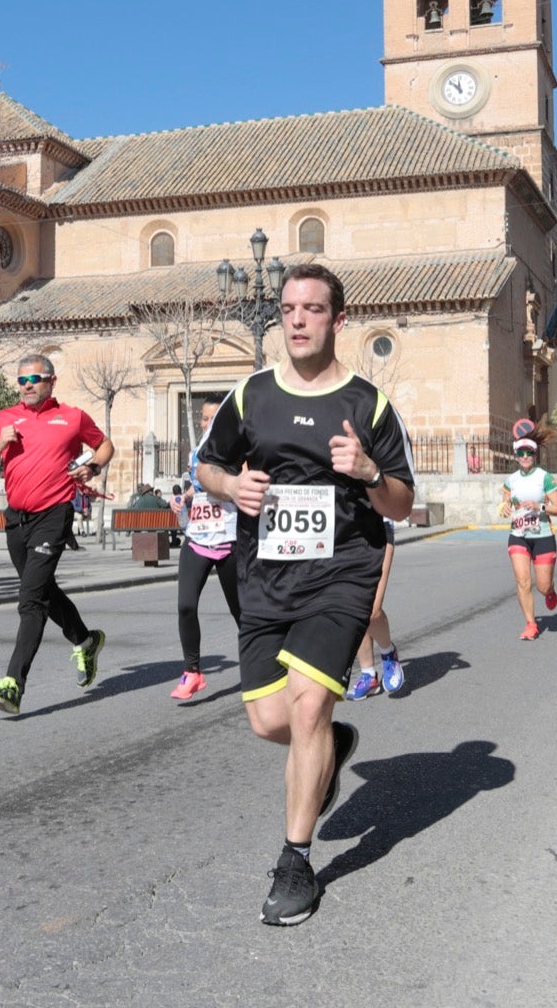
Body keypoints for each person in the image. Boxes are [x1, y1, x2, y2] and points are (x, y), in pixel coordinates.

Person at [196, 262, 415, 927]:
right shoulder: (250, 395)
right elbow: (206, 464)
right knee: (271, 720)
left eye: (312, 308)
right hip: (264, 575)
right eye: (288, 307)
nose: (296, 319)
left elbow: (402, 504)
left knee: (312, 700)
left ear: (337, 320)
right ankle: (333, 746)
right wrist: (231, 487)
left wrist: (371, 471)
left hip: (342, 572)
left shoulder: (367, 404)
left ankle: (296, 860)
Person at [0, 355, 114, 715]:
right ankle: (86, 639)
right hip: (16, 521)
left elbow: (104, 446)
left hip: (54, 515)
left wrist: (92, 468)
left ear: (51, 381)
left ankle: (13, 685)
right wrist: (1, 444)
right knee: (44, 590)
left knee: (30, 600)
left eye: (35, 379)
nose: (27, 385)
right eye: (22, 381)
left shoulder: (72, 417)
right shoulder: (5, 418)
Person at [171, 396, 243, 702]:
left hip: (229, 539)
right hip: (198, 537)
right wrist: (185, 498)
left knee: (242, 613)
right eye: (204, 418)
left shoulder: (238, 448)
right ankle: (193, 672)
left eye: (213, 418)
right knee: (186, 605)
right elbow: (197, 483)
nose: (207, 423)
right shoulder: (198, 448)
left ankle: (263, 664)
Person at [499, 437, 557, 639]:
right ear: (516, 456)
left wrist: (539, 507)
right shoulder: (511, 480)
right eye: (521, 453)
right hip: (518, 535)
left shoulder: (545, 478)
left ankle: (550, 591)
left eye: (528, 453)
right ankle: (531, 624)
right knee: (523, 581)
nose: (525, 457)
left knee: (542, 586)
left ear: (534, 455)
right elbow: (505, 504)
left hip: (543, 535)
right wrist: (505, 507)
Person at [345, 521, 404, 699]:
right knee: (355, 607)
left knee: (372, 610)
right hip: (347, 532)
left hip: (379, 528)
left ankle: (388, 653)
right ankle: (368, 675)